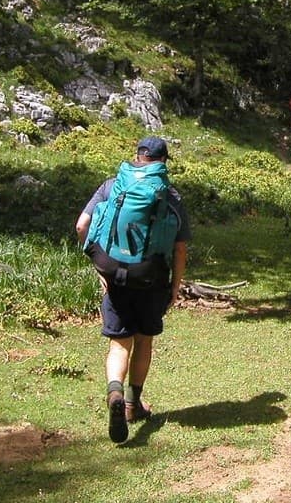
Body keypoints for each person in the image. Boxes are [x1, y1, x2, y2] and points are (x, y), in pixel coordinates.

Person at [75, 136, 190, 444]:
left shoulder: (112, 186)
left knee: (118, 345)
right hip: (152, 279)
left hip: (115, 277)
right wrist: (175, 287)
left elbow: (81, 225)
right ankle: (131, 403)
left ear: (137, 156)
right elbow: (179, 250)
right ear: (164, 161)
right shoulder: (171, 195)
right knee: (144, 341)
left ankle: (114, 391)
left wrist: (99, 265)